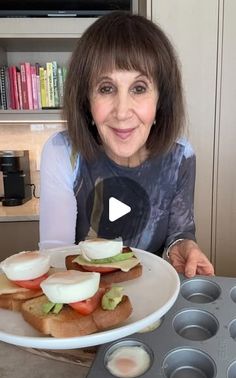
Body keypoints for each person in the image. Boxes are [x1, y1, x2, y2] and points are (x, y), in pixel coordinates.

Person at [39, 11, 214, 278]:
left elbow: (179, 234)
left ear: (161, 99)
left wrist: (182, 246)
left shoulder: (181, 156)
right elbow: (55, 259)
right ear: (86, 99)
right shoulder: (63, 153)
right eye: (106, 88)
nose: (122, 112)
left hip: (154, 297)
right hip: (84, 298)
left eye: (139, 88)